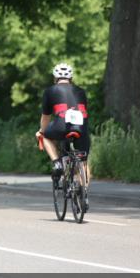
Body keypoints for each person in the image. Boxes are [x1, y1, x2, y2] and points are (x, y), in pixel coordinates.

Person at [36, 62, 91, 193]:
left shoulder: (50, 91)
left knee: (46, 137)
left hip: (61, 126)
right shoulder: (81, 91)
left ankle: (57, 163)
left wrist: (41, 132)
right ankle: (83, 193)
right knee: (83, 161)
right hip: (81, 127)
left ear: (55, 78)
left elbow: (46, 117)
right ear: (71, 78)